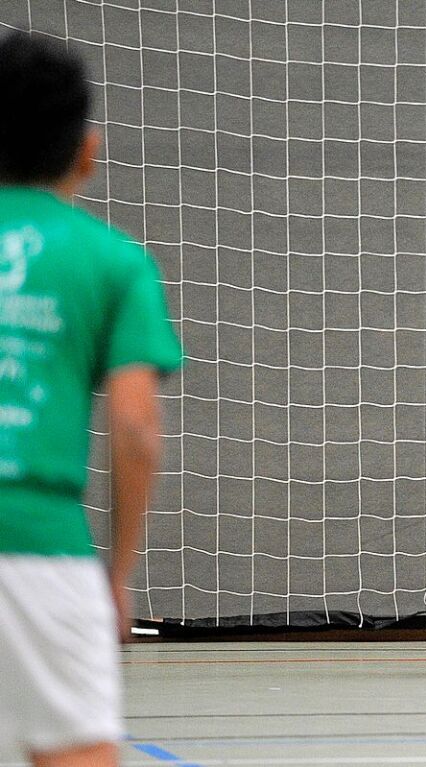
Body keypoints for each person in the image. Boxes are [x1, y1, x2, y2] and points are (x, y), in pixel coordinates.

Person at [0, 31, 183, 767]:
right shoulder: (114, 262)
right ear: (88, 149)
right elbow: (135, 425)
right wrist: (117, 573)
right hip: (44, 549)